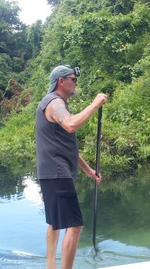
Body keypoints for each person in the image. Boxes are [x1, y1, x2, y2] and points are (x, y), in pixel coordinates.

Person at [35, 65, 107, 269]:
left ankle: (51, 266)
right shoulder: (55, 103)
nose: (76, 83)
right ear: (61, 81)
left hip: (51, 173)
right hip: (57, 173)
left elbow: (65, 146)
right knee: (75, 225)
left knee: (55, 222)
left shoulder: (51, 103)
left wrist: (88, 170)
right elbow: (70, 124)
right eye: (73, 79)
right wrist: (95, 103)